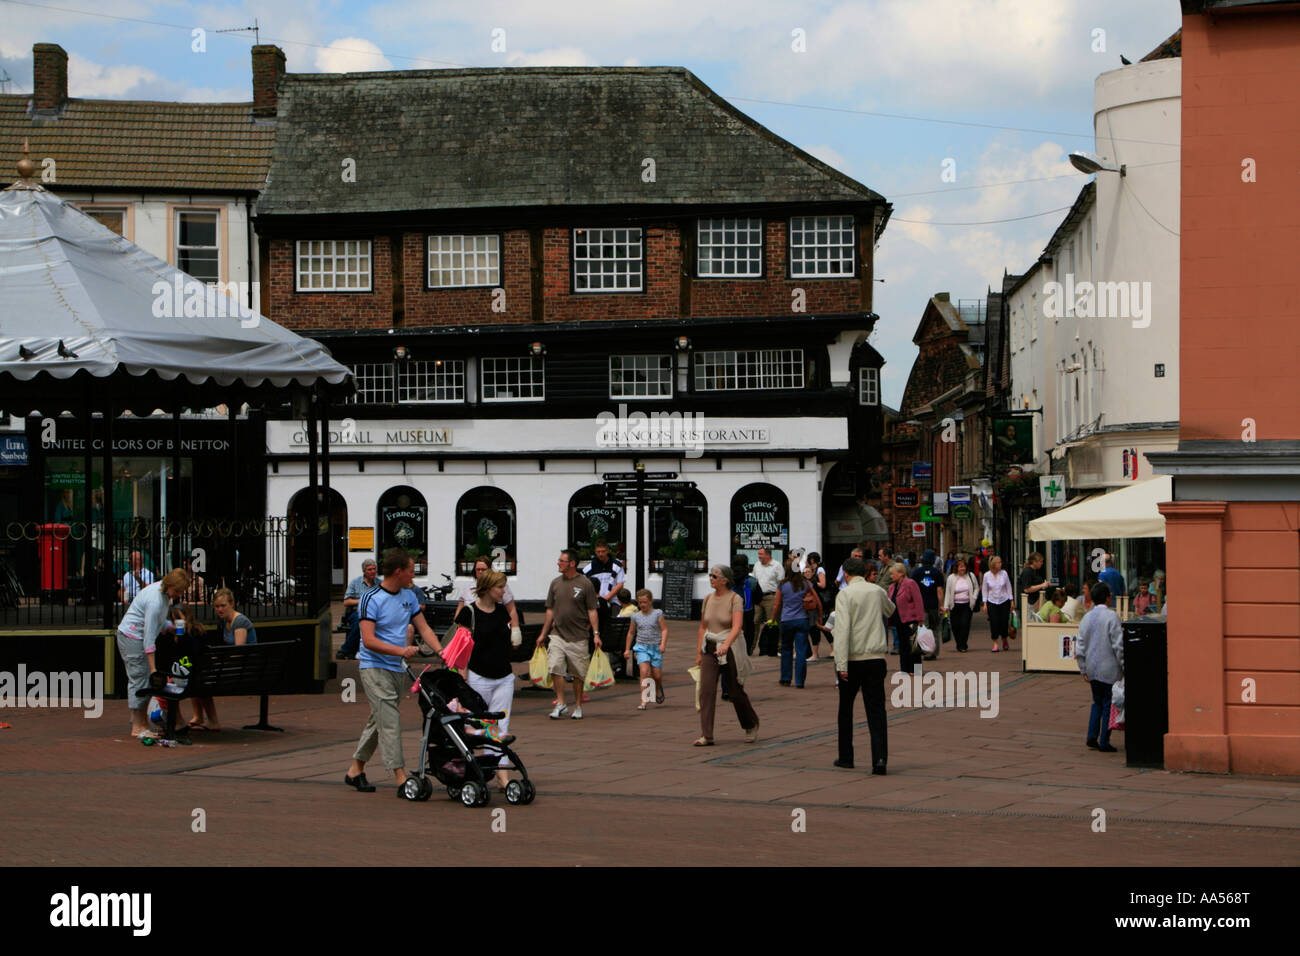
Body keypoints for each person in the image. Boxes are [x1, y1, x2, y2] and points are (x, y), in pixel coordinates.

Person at [344, 547, 444, 794]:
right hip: (374, 667)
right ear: (398, 571)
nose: (414, 576)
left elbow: (424, 628)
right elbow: (368, 640)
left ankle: (355, 769)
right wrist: (402, 651)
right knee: (390, 721)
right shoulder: (371, 598)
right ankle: (401, 778)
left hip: (396, 669)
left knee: (380, 718)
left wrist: (442, 652)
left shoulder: (408, 596)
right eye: (411, 571)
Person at [455, 569, 520, 791]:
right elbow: (462, 645)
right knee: (477, 726)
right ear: (488, 588)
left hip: (504, 676)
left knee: (501, 726)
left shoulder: (503, 612)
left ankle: (502, 774)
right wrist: (462, 672)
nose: (504, 591)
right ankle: (472, 770)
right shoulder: (469, 613)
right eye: (500, 587)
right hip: (478, 676)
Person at [832, 557, 896, 773]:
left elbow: (842, 630)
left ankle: (846, 756)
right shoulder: (876, 591)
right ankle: (879, 760)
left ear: (846, 574)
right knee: (876, 710)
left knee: (846, 709)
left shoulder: (845, 594)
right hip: (876, 657)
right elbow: (891, 610)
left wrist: (840, 663)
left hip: (852, 658)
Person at [116, 569, 190, 738]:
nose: (178, 595)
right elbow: (148, 638)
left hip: (135, 635)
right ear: (170, 585)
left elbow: (156, 622)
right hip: (132, 637)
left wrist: (168, 627)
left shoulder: (161, 593)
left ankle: (140, 721)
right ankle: (137, 726)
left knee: (141, 680)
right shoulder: (156, 601)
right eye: (178, 591)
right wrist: (153, 668)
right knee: (139, 678)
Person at [694, 564, 759, 746]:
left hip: (728, 648)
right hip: (710, 647)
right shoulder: (707, 599)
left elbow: (737, 627)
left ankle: (751, 723)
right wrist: (698, 652)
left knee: (734, 691)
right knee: (706, 690)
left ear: (725, 580)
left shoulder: (734, 599)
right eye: (710, 575)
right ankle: (707, 734)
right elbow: (702, 627)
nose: (711, 579)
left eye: (714, 576)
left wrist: (726, 645)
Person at [538, 549, 601, 720]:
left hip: (579, 636)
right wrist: (544, 633)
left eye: (562, 561)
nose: (558, 563)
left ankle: (578, 705)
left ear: (572, 563)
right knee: (555, 667)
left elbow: (592, 610)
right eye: (559, 560)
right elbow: (550, 610)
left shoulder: (585, 584)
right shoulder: (555, 583)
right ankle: (560, 703)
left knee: (578, 673)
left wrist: (595, 634)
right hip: (557, 634)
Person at [1076, 582, 1124, 753]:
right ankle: (1104, 740)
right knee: (1107, 704)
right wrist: (1124, 665)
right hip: (1109, 668)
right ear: (1108, 598)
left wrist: (1083, 667)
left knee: (1096, 702)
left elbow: (1080, 645)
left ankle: (1091, 735)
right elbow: (1118, 645)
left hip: (1092, 667)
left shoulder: (1086, 618)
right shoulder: (1112, 617)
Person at [771, 559, 816, 687]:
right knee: (801, 651)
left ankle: (785, 678)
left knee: (786, 649)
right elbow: (814, 599)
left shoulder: (782, 584)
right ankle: (800, 681)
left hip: (786, 620)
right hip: (802, 619)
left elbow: (777, 604)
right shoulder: (806, 584)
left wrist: (773, 619)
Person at [453, 556, 521, 637]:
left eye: (483, 569)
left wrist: (515, 632)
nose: (481, 572)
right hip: (473, 632)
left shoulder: (500, 588)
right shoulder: (467, 589)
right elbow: (459, 611)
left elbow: (511, 609)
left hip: (494, 629)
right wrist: (456, 629)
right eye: (478, 569)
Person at [624, 588, 668, 710]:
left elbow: (664, 629)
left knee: (657, 675)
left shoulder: (657, 614)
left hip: (655, 647)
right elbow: (631, 633)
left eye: (645, 602)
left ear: (650, 601)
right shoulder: (635, 617)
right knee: (644, 672)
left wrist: (662, 644)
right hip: (641, 647)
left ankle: (658, 687)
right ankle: (644, 700)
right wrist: (627, 649)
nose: (642, 605)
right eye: (640, 602)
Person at [884, 562, 925, 676]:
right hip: (898, 621)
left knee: (914, 646)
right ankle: (905, 669)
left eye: (893, 574)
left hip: (911, 620)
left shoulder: (910, 583)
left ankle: (916, 670)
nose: (891, 576)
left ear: (901, 573)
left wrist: (920, 618)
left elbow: (918, 601)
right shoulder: (892, 587)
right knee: (903, 646)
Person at [582, 541, 626, 646]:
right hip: (595, 602)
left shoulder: (617, 565)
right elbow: (585, 585)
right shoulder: (589, 568)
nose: (601, 554)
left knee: (613, 624)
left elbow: (620, 584)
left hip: (613, 600)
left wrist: (607, 597)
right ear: (595, 552)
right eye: (598, 552)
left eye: (603, 551)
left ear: (607, 551)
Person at [337, 558, 378, 659]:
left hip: (376, 613)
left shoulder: (380, 584)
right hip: (357, 612)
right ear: (364, 571)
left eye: (374, 569)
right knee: (360, 622)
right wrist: (363, 600)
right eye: (369, 569)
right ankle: (348, 649)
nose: (372, 571)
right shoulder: (355, 583)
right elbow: (346, 602)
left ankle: (348, 650)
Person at [910, 549, 945, 660]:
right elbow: (939, 591)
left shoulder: (916, 572)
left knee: (924, 628)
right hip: (934, 605)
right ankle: (934, 651)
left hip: (921, 606)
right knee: (934, 628)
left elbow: (912, 590)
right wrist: (941, 605)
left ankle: (926, 650)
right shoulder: (937, 573)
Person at [942, 557, 980, 652]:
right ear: (956, 568)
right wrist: (946, 606)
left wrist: (974, 598)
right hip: (954, 605)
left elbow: (976, 588)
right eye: (960, 567)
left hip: (967, 605)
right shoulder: (951, 578)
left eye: (964, 567)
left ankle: (963, 645)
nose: (962, 569)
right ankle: (959, 643)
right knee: (955, 625)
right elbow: (947, 592)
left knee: (965, 624)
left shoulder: (970, 576)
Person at [982, 555, 1014, 652]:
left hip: (1004, 600)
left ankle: (1004, 638)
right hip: (992, 601)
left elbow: (1008, 587)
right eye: (998, 563)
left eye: (1000, 562)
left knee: (1004, 621)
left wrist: (1011, 600)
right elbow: (985, 590)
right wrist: (985, 603)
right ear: (993, 564)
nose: (1000, 564)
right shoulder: (987, 575)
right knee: (994, 622)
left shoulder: (1004, 573)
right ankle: (995, 643)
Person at [751, 546, 782, 645]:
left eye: (761, 554)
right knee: (755, 621)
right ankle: (750, 647)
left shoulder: (777, 566)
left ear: (768, 555)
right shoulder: (756, 565)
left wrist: (778, 598)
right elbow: (754, 581)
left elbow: (781, 583)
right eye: (758, 554)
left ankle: (777, 646)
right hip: (758, 597)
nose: (759, 556)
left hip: (771, 596)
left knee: (772, 622)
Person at [804, 562, 830, 661]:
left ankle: (815, 654)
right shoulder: (804, 583)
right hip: (805, 609)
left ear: (812, 572)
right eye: (805, 572)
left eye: (809, 572)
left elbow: (818, 599)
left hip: (813, 609)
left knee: (815, 629)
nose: (807, 573)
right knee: (810, 630)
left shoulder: (814, 584)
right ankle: (811, 653)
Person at [1018, 552, 1050, 616]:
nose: (1042, 563)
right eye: (1040, 561)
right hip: (1030, 603)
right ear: (1034, 562)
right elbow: (1027, 589)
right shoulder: (1027, 572)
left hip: (1036, 601)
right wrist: (1042, 585)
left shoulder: (1035, 571)